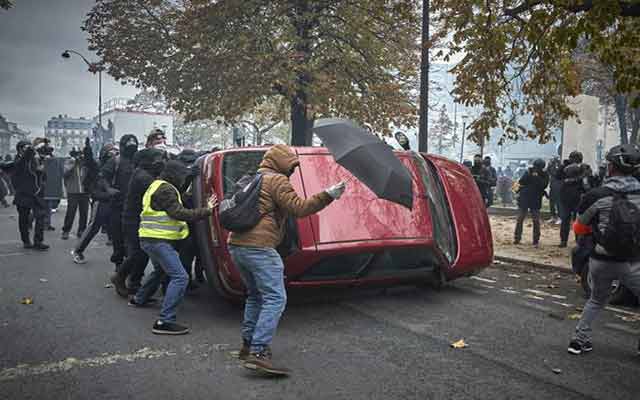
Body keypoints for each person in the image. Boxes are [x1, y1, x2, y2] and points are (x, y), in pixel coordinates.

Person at [228, 144, 346, 375]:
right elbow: (299, 209)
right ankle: (259, 352)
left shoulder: (254, 178)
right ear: (281, 163)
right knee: (275, 298)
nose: (292, 170)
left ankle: (247, 345)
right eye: (290, 165)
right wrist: (329, 195)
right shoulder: (277, 181)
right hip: (259, 247)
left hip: (237, 245)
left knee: (255, 296)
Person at [568, 144, 640, 355]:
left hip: (600, 261)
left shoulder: (596, 195)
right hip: (633, 262)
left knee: (596, 300)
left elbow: (579, 227)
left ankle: (579, 341)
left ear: (611, 168)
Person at [130, 160, 216, 335]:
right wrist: (206, 210)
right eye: (182, 175)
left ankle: (139, 298)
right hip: (158, 241)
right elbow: (178, 213)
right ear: (174, 175)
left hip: (150, 238)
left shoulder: (158, 185)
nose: (183, 178)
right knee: (180, 277)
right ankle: (164, 321)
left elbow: (172, 203)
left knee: (161, 270)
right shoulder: (166, 189)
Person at [110, 148, 166, 296]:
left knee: (143, 253)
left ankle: (134, 283)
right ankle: (119, 277)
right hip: (133, 220)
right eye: (157, 159)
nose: (159, 162)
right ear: (147, 160)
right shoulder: (142, 176)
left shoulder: (145, 173)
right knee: (137, 253)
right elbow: (161, 191)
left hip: (139, 219)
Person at [71, 143, 118, 264]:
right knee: (93, 227)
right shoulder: (98, 166)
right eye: (111, 151)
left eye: (115, 151)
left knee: (118, 228)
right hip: (101, 200)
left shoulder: (118, 165)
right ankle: (78, 251)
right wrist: (87, 150)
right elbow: (90, 162)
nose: (114, 154)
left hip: (114, 200)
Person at [101, 134, 139, 269]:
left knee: (133, 242)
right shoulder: (115, 161)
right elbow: (103, 176)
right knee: (118, 239)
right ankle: (118, 265)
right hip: (117, 206)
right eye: (128, 145)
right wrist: (109, 189)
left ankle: (130, 268)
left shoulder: (139, 161)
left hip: (135, 207)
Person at [11, 139, 49, 250]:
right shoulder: (18, 160)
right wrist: (32, 146)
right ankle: (26, 241)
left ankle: (38, 241)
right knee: (23, 218)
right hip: (23, 193)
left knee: (41, 215)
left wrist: (41, 169)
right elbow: (23, 161)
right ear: (20, 149)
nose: (28, 150)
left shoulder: (34, 159)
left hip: (35, 192)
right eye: (25, 147)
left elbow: (39, 173)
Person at [514, 159, 549, 247]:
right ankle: (517, 238)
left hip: (536, 199)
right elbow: (521, 182)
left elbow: (543, 185)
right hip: (525, 198)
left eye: (538, 167)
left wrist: (536, 176)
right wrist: (515, 191)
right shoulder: (528, 172)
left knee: (536, 221)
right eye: (535, 167)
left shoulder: (544, 174)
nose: (536, 168)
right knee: (520, 219)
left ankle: (536, 240)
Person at [557, 151, 587, 247]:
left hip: (577, 196)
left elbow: (585, 179)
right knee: (566, 219)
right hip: (567, 196)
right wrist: (563, 166)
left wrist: (573, 179)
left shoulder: (583, 167)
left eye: (575, 158)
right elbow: (558, 176)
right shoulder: (565, 168)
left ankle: (577, 241)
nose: (573, 160)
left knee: (577, 220)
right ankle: (564, 241)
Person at [61, 146, 90, 240]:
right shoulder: (69, 162)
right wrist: (73, 164)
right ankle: (66, 230)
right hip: (73, 191)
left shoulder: (85, 163)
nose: (79, 156)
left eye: (80, 154)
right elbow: (65, 174)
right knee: (71, 212)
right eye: (77, 154)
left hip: (85, 191)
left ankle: (81, 230)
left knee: (84, 212)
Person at [546, 157, 562, 223]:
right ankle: (553, 217)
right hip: (552, 187)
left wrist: (553, 166)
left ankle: (560, 217)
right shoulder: (550, 168)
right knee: (551, 203)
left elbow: (556, 174)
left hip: (559, 188)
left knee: (559, 204)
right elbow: (547, 172)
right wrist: (549, 166)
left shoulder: (560, 168)